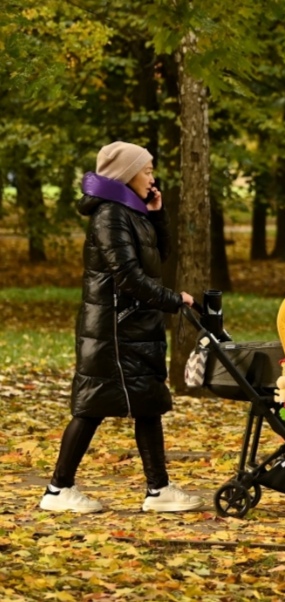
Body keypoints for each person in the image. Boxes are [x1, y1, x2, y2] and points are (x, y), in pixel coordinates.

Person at [39, 141, 204, 514]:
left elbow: (157, 257)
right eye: (146, 170)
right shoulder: (109, 216)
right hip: (114, 330)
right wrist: (173, 300)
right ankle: (57, 489)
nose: (152, 176)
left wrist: (157, 216)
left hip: (133, 326)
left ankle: (158, 489)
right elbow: (128, 277)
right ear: (126, 174)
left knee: (147, 402)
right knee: (92, 406)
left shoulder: (131, 212)